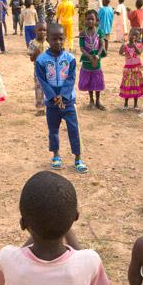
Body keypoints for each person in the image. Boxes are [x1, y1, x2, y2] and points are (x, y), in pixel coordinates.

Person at [36, 22, 88, 174]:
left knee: (74, 129)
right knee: (53, 129)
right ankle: (56, 155)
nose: (58, 42)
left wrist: (63, 95)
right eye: (54, 39)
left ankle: (78, 158)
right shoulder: (41, 60)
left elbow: (71, 79)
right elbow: (42, 81)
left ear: (65, 38)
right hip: (51, 102)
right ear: (48, 39)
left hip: (68, 101)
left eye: (61, 38)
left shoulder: (70, 59)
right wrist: (53, 96)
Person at [77, 9, 106, 110]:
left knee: (97, 80)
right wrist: (89, 56)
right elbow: (81, 47)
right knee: (89, 80)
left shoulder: (99, 31)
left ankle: (98, 101)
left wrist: (98, 55)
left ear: (96, 20)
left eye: (92, 19)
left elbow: (102, 45)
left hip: (97, 59)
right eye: (88, 19)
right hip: (86, 60)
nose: (90, 21)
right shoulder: (82, 33)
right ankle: (91, 100)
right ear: (85, 20)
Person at [119, 27, 143, 111]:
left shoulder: (139, 45)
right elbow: (120, 52)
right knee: (127, 85)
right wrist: (122, 44)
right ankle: (126, 104)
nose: (134, 37)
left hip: (136, 69)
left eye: (136, 36)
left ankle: (135, 104)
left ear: (138, 37)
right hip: (128, 69)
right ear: (129, 35)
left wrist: (134, 45)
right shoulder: (126, 45)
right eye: (132, 35)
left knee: (136, 85)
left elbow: (139, 52)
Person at [28, 20, 49, 115]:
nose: (42, 32)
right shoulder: (32, 43)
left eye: (44, 30)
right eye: (40, 30)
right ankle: (40, 108)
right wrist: (35, 54)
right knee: (39, 89)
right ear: (35, 31)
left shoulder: (48, 43)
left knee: (49, 88)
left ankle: (49, 106)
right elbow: (31, 59)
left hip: (49, 70)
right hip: (38, 70)